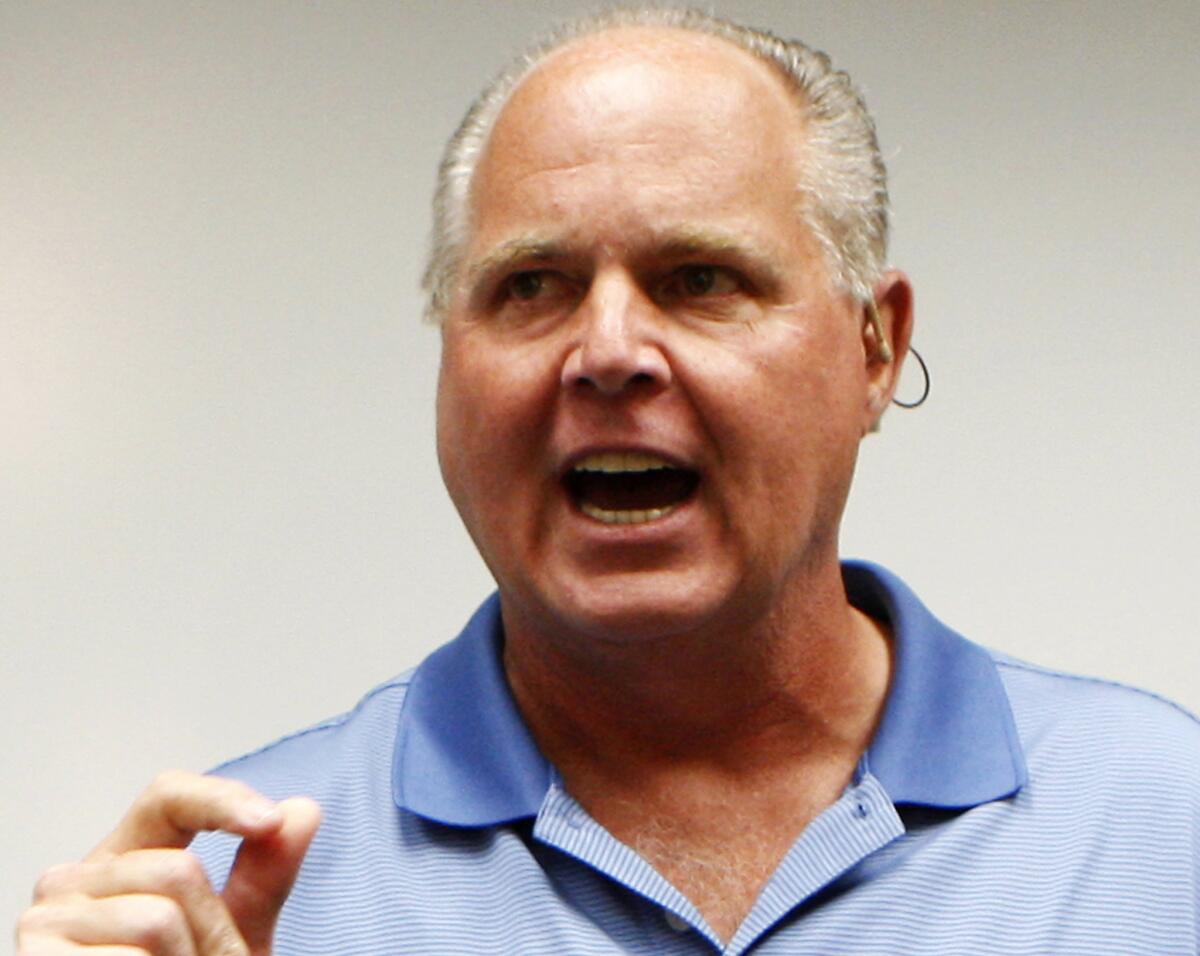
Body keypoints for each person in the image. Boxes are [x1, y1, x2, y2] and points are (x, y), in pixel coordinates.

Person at [16, 8, 1199, 955]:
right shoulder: (227, 889)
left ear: (873, 348)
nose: (610, 352)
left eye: (699, 276)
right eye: (531, 285)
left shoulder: (1162, 824)